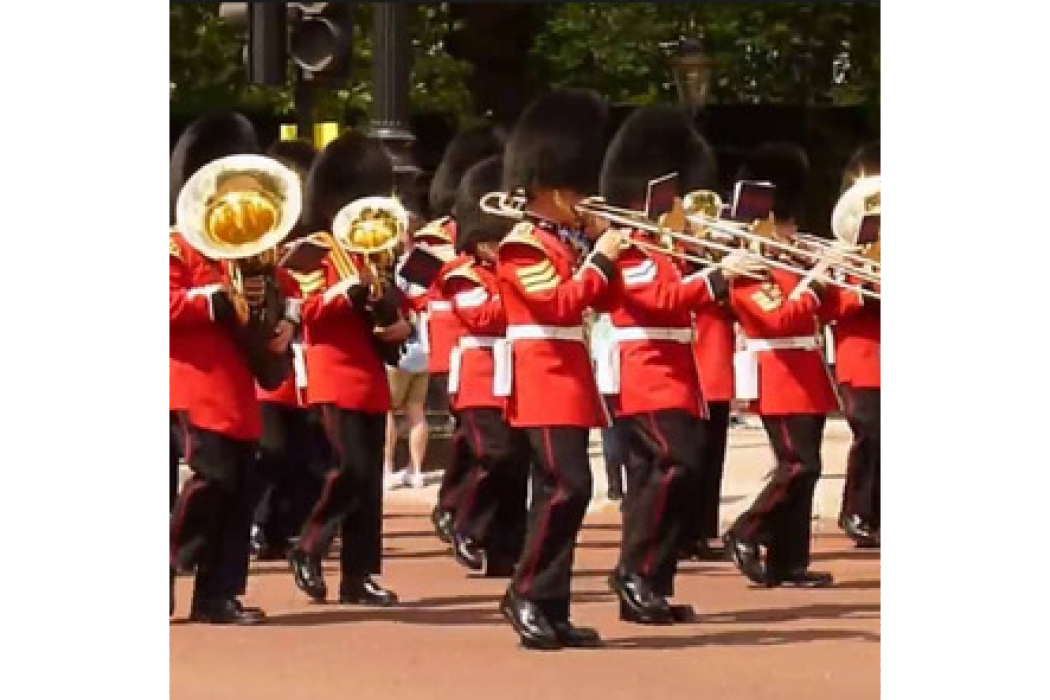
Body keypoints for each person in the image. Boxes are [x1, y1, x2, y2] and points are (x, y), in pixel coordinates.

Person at [594, 104, 759, 624]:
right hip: (644, 372)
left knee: (662, 475)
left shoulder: (663, 248)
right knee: (675, 464)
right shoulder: (629, 251)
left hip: (672, 373)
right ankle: (634, 571)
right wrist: (719, 275)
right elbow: (662, 302)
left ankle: (650, 579)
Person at [495, 88, 624, 650]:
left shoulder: (563, 240)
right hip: (542, 373)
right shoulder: (522, 245)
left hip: (568, 372)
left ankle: (551, 603)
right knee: (567, 486)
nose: (583, 196)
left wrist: (603, 251)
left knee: (566, 490)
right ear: (549, 185)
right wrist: (600, 257)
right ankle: (524, 593)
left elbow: (604, 302)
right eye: (575, 186)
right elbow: (560, 304)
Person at [169, 114, 298, 624]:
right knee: (212, 477)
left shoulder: (248, 246)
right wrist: (213, 302)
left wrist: (288, 318)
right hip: (190, 379)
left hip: (238, 383)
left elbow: (289, 286)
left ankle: (218, 594)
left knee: (241, 488)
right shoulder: (177, 246)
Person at [287, 133, 411, 607]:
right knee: (349, 470)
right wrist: (351, 290)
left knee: (368, 482)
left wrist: (395, 318)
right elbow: (306, 308)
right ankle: (308, 544)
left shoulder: (370, 249)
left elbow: (396, 311)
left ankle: (359, 575)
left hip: (368, 376)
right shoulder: (313, 250)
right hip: (331, 372)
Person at [722, 142, 840, 588]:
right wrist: (814, 283)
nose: (792, 230)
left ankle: (788, 562)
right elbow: (778, 317)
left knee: (808, 470)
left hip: (806, 371)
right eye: (785, 222)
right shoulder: (749, 269)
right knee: (797, 465)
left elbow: (821, 314)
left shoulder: (789, 260)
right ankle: (746, 530)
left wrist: (825, 280)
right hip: (778, 374)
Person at [440, 155, 530, 577]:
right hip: (479, 378)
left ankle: (506, 548)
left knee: (516, 464)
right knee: (492, 456)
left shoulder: (511, 271)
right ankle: (464, 523)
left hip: (516, 376)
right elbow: (483, 318)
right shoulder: (462, 274)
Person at [422, 126, 505, 542]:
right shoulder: (434, 239)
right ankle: (456, 507)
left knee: (474, 440)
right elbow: (413, 290)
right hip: (454, 345)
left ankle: (459, 507)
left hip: (494, 354)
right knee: (473, 439)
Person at [830, 141, 882, 547]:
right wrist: (865, 290)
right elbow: (833, 302)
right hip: (859, 359)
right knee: (870, 433)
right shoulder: (842, 256)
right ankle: (856, 511)